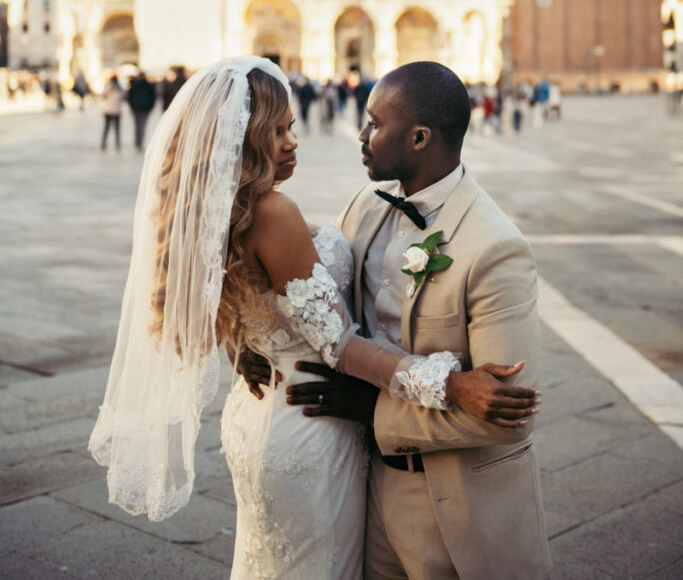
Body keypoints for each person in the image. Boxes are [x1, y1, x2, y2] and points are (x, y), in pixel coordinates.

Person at [89, 58, 540, 580]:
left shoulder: (237, 211)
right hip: (306, 432)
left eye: (290, 127)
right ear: (243, 139)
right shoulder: (298, 210)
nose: (293, 141)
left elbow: (249, 287)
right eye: (276, 130)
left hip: (272, 423)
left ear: (419, 137)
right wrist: (451, 384)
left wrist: (251, 340)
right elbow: (336, 341)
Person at [278, 61, 551, 579]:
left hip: (458, 510)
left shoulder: (495, 248)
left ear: (420, 137)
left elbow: (509, 415)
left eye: (375, 124)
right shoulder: (365, 205)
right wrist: (257, 345)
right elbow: (319, 302)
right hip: (365, 493)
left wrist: (372, 410)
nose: (361, 135)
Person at [127, 70, 156, 150]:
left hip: (137, 108)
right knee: (142, 127)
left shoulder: (134, 85)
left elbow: (129, 97)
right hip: (144, 109)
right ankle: (139, 142)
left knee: (137, 126)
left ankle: (137, 142)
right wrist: (150, 107)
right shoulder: (149, 85)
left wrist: (132, 107)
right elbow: (153, 98)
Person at [100, 74, 126, 150]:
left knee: (117, 130)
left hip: (116, 111)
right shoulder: (108, 87)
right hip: (108, 110)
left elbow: (123, 97)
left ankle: (117, 145)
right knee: (106, 129)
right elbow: (103, 96)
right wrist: (109, 88)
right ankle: (104, 144)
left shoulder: (119, 88)